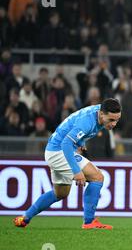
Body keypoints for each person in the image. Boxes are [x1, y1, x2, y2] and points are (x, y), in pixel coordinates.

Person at [14, 98, 122, 229]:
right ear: (101, 114)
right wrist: (77, 171)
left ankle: (24, 218)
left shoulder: (101, 110)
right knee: (97, 177)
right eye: (111, 120)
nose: (114, 124)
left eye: (117, 120)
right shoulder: (87, 121)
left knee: (60, 193)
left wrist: (81, 142)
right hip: (60, 151)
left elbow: (73, 125)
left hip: (53, 151)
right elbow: (66, 143)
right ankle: (89, 222)